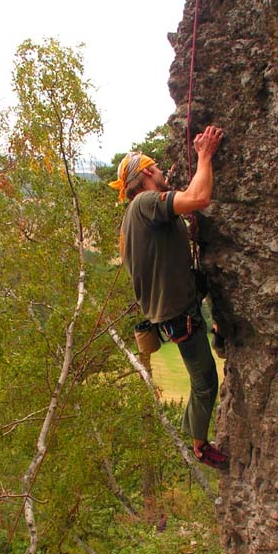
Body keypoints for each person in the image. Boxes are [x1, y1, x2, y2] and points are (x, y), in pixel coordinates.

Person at [111, 125, 228, 470]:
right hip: (178, 312)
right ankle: (200, 445)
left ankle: (221, 333)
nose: (162, 172)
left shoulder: (140, 210)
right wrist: (205, 155)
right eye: (158, 169)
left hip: (180, 302)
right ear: (147, 172)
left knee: (215, 286)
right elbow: (198, 199)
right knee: (206, 382)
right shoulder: (145, 203)